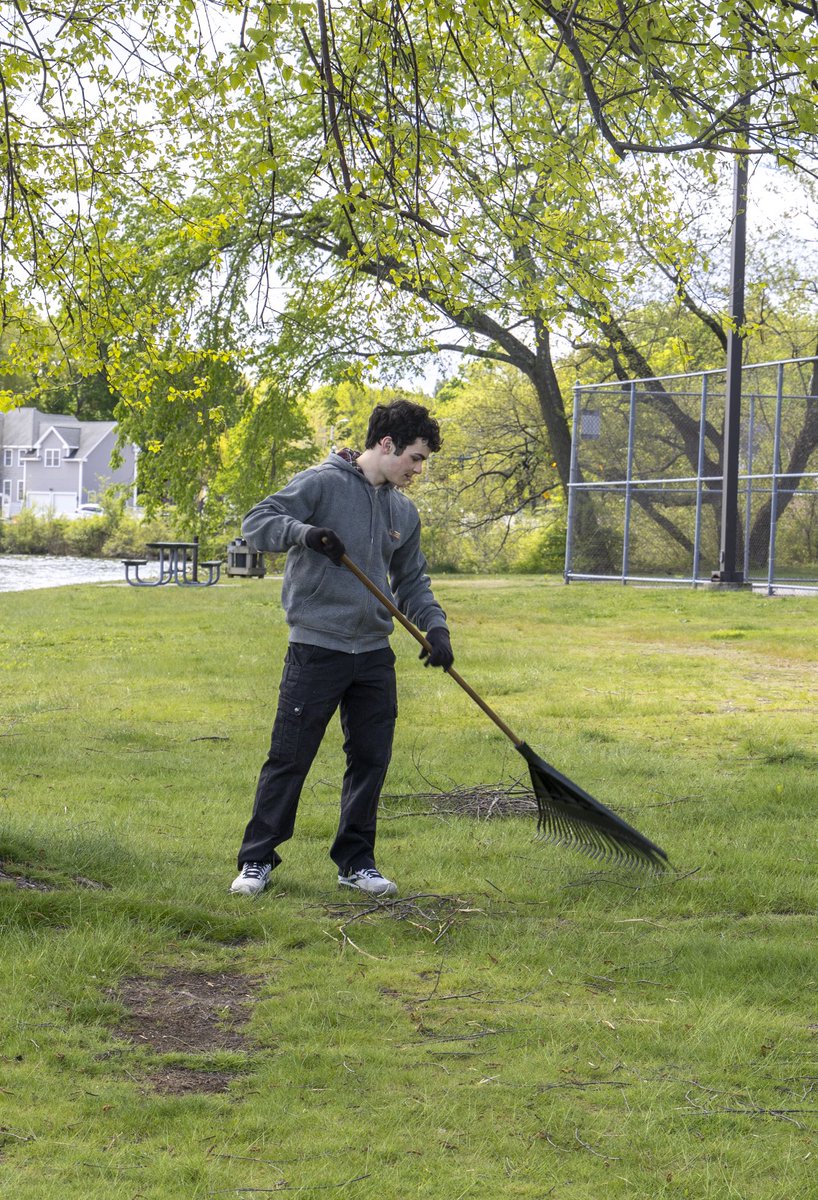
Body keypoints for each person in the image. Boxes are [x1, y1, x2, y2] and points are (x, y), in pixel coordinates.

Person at [230, 398, 453, 898]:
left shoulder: (402, 509)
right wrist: (306, 533)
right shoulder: (321, 483)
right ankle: (256, 861)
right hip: (317, 647)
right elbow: (257, 523)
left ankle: (356, 863)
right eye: (415, 458)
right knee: (290, 756)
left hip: (374, 653)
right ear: (387, 444)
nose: (418, 469)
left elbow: (412, 581)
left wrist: (436, 629)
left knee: (371, 759)